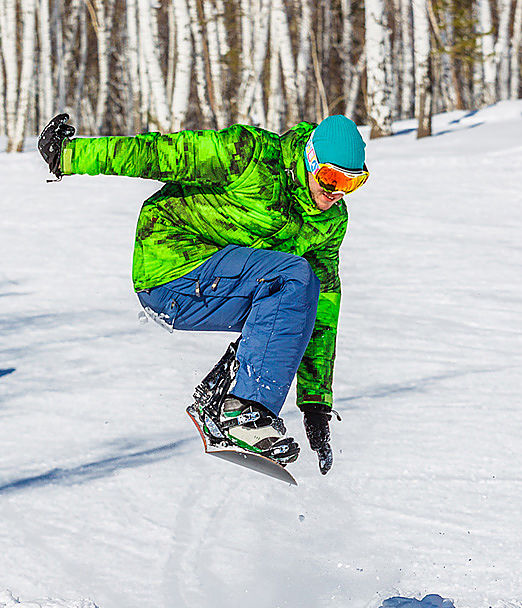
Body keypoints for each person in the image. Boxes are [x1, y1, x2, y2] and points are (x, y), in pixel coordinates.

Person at [38, 113, 369, 474]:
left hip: (220, 285)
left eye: (351, 184)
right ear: (310, 160)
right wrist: (69, 155)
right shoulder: (250, 156)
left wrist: (315, 403)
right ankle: (244, 412)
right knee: (292, 277)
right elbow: (160, 154)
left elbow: (320, 309)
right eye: (331, 178)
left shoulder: (330, 222)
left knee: (300, 295)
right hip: (170, 269)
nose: (336, 193)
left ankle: (221, 395)